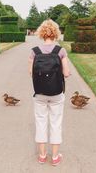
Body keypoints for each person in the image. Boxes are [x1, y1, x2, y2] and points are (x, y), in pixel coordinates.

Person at [28, 19, 71, 166]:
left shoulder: (34, 52)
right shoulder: (60, 51)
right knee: (55, 123)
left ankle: (42, 156)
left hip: (40, 94)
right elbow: (66, 73)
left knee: (40, 122)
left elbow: (30, 72)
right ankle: (55, 157)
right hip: (56, 94)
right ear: (55, 33)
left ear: (41, 33)